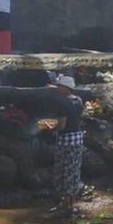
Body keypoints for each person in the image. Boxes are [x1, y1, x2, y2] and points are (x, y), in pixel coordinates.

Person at [38, 75, 84, 216]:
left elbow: (62, 125)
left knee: (63, 172)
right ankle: (69, 204)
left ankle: (67, 206)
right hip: (77, 138)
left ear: (65, 88)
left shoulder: (62, 104)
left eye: (59, 87)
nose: (57, 89)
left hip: (66, 140)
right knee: (73, 170)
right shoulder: (78, 100)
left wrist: (48, 127)